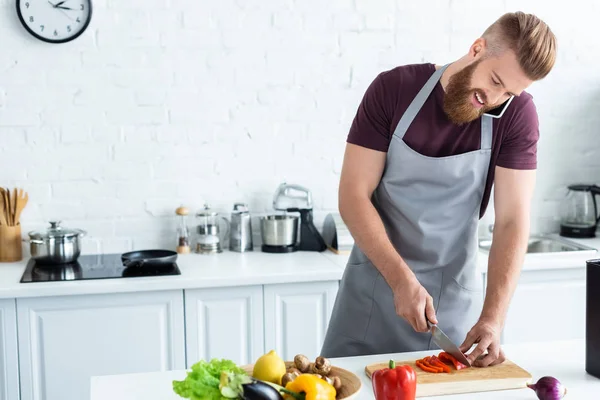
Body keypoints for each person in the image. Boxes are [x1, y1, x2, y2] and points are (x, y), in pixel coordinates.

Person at [320, 11, 557, 368]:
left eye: (509, 92)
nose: (494, 98)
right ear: (477, 48)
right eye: (494, 81)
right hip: (371, 297)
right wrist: (401, 281)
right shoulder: (393, 90)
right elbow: (353, 195)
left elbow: (512, 220)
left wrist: (493, 317)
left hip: (451, 315)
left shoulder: (517, 116)